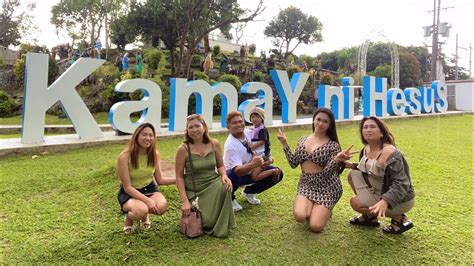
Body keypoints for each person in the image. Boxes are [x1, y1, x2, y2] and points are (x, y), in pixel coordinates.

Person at [277, 108, 352, 233]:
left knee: (315, 227)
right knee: (300, 216)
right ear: (314, 120)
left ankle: (326, 209)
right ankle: (315, 207)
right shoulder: (302, 140)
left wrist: (337, 159)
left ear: (330, 125)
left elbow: (328, 173)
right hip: (306, 184)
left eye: (325, 122)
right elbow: (294, 163)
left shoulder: (333, 145)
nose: (321, 124)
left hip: (327, 187)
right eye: (318, 119)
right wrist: (285, 143)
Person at [345, 116, 415, 234]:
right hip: (381, 188)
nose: (368, 130)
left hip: (401, 199)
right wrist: (349, 165)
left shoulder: (391, 153)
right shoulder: (365, 149)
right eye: (365, 127)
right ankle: (370, 217)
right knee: (353, 175)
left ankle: (399, 219)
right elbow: (368, 170)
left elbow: (401, 183)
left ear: (382, 133)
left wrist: (385, 201)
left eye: (372, 127)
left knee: (355, 202)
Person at [175, 114, 235, 237]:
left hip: (213, 183)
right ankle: (210, 219)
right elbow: (179, 177)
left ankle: (222, 222)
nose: (194, 130)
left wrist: (224, 175)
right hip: (195, 189)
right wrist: (184, 201)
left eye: (197, 126)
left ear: (204, 127)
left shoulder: (214, 144)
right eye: (190, 127)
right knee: (206, 222)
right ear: (187, 130)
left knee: (226, 186)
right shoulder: (183, 149)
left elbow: (220, 165)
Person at [117, 123, 176, 234]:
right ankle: (129, 218)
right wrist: (148, 201)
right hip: (130, 192)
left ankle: (144, 215)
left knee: (161, 207)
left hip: (149, 188)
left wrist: (179, 179)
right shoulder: (124, 157)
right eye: (144, 135)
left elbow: (160, 180)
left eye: (151, 135)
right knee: (140, 211)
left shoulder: (154, 154)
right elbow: (128, 187)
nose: (148, 138)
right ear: (137, 136)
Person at [223, 111, 283, 211]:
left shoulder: (248, 132)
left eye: (240, 121)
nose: (239, 124)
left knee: (278, 173)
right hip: (237, 175)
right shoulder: (230, 145)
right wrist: (253, 164)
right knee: (231, 174)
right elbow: (237, 170)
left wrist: (267, 160)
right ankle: (230, 198)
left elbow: (259, 149)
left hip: (251, 170)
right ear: (228, 126)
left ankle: (249, 192)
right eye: (234, 123)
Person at [248, 107, 280, 182]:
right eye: (252, 117)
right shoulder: (254, 129)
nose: (254, 119)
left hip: (263, 155)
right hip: (258, 155)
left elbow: (262, 141)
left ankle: (274, 171)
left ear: (262, 118)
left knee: (254, 177)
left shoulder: (262, 129)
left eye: (257, 116)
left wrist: (252, 146)